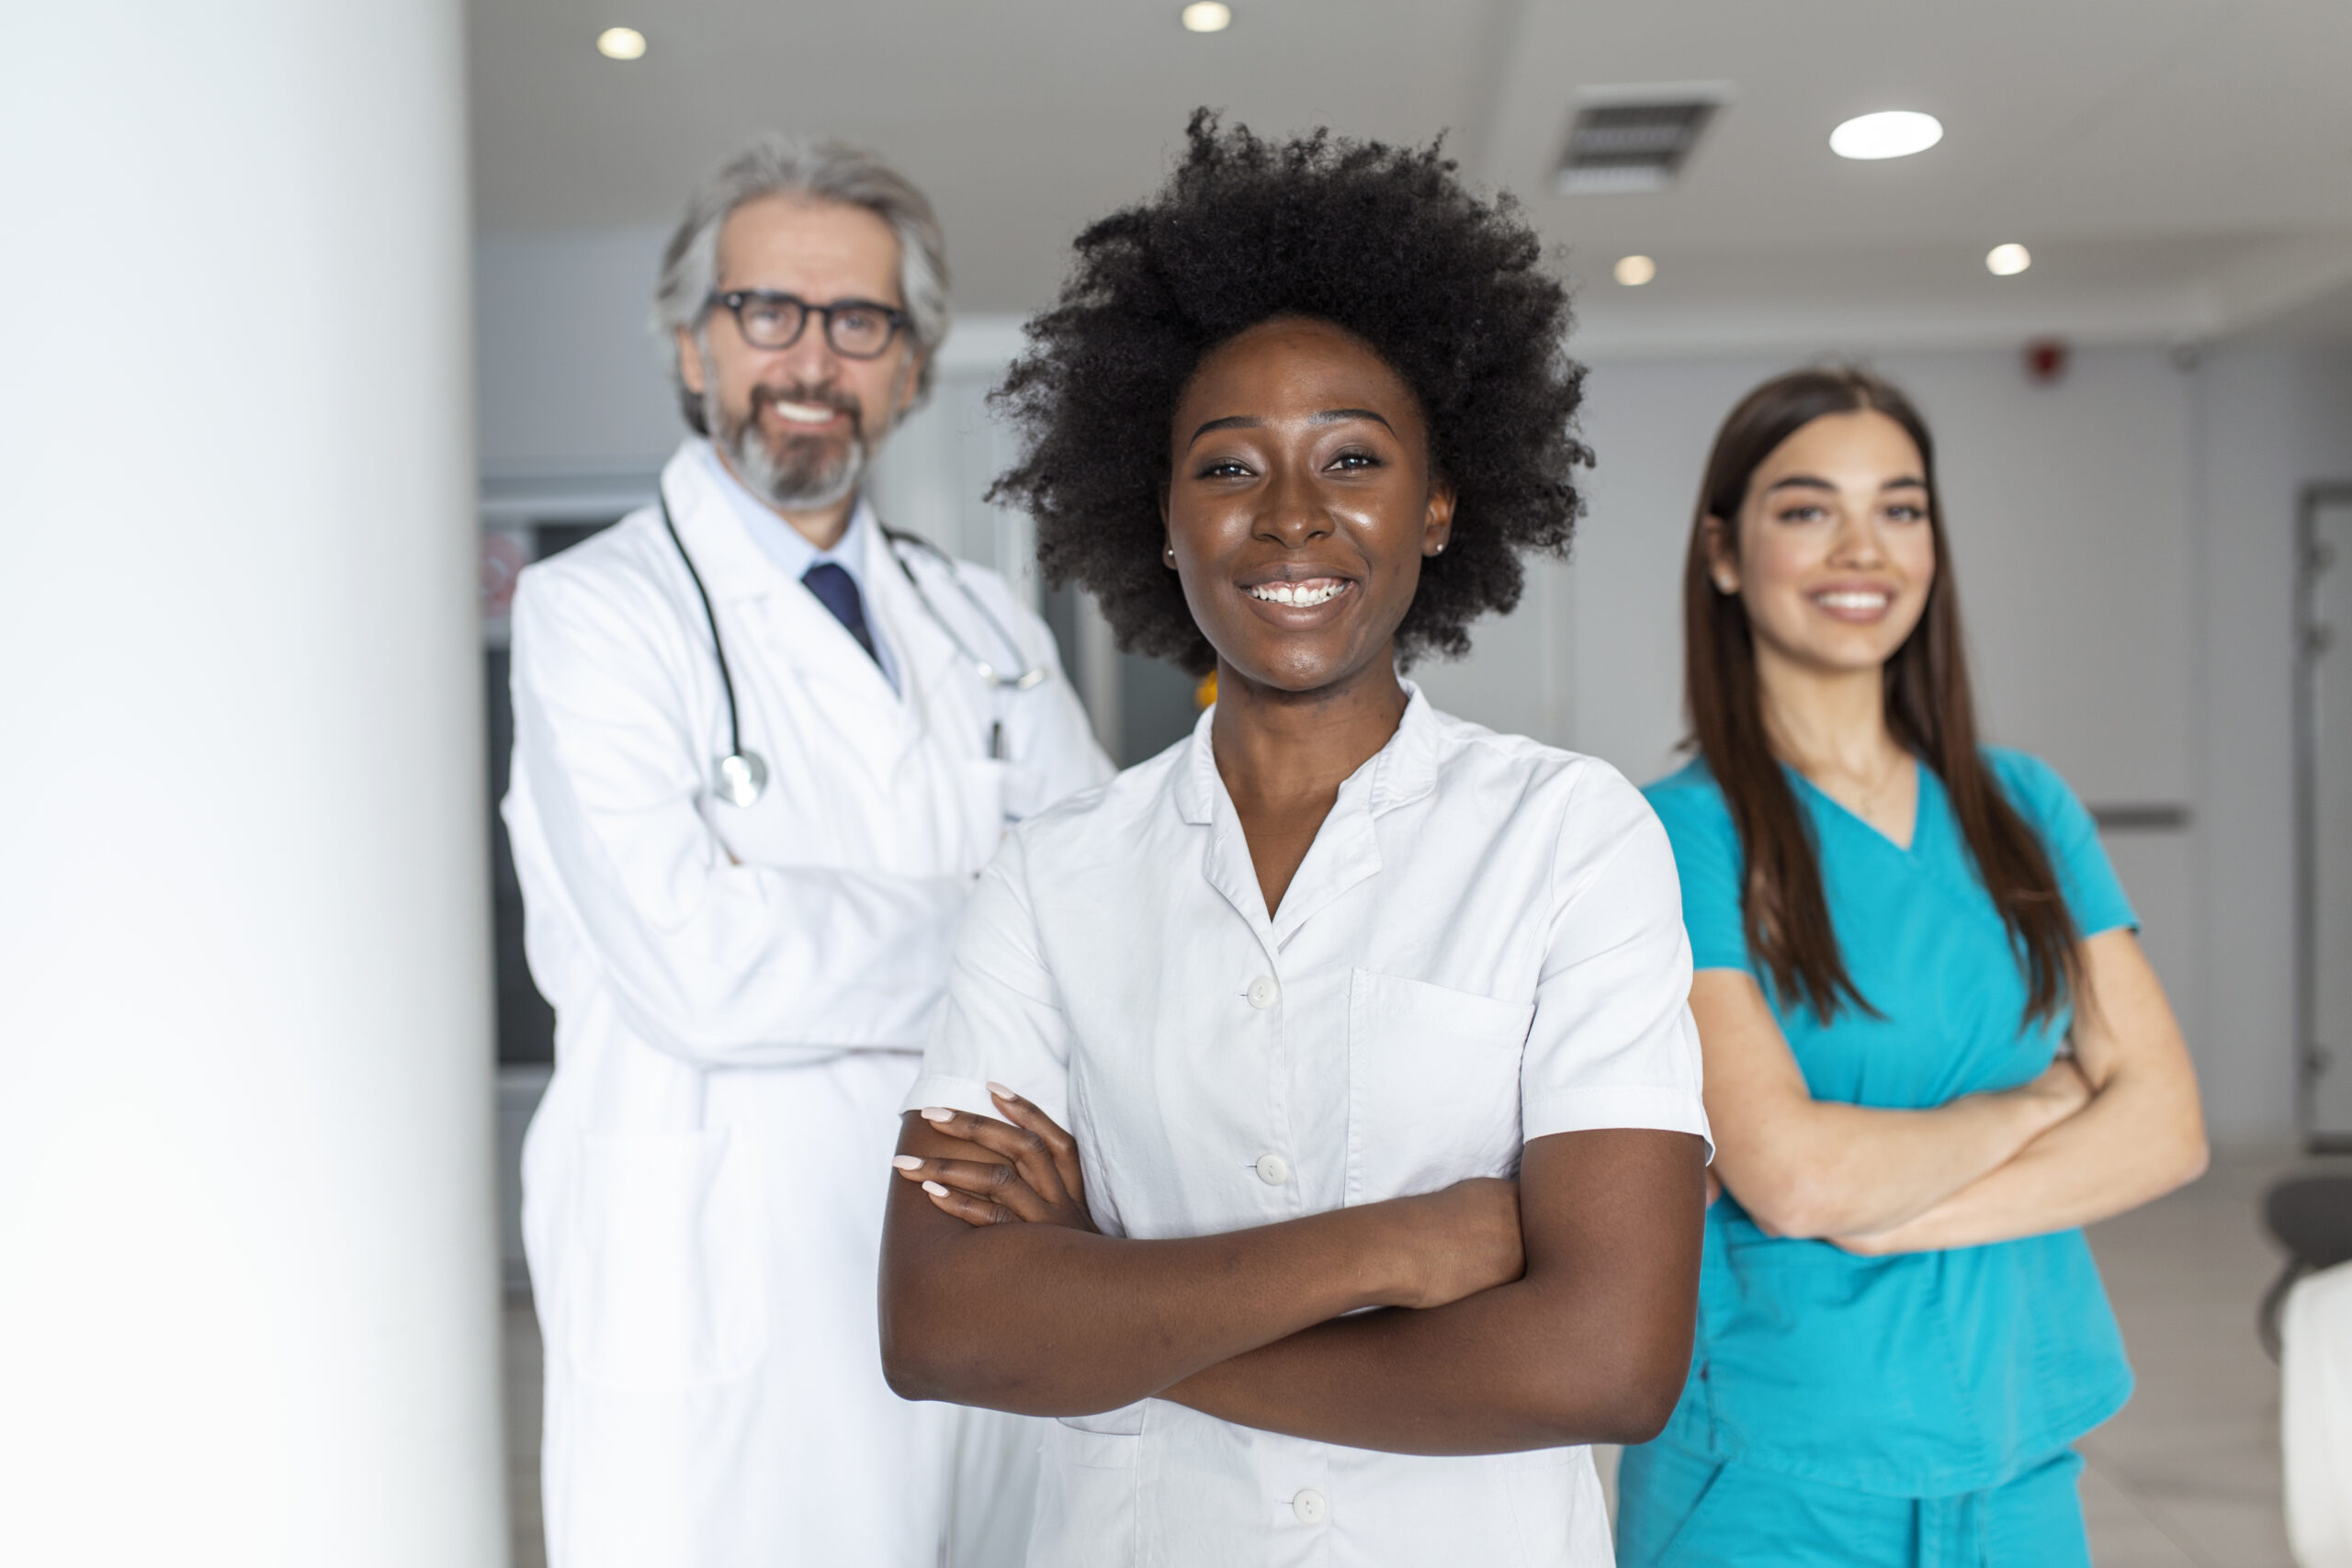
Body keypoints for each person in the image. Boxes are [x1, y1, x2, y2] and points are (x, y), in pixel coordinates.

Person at [874, 113, 1713, 1568]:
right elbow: (943, 1326)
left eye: (1352, 459)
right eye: (1228, 468)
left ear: (1441, 504)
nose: (1292, 519)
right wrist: (1389, 1252)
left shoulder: (1575, 841)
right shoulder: (1052, 876)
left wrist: (1107, 1305)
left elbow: (1608, 1361)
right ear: (1162, 515)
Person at [502, 135, 1110, 1568]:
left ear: (908, 367)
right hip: (729, 1277)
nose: (810, 358)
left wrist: (850, 923)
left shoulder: (988, 628)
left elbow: (1105, 916)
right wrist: (995, 928)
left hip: (984, 1252)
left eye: (860, 321)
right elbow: (697, 965)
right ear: (691, 344)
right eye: (766, 311)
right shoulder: (596, 615)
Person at [1615, 367, 2211, 1566]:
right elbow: (1790, 1176)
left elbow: (2169, 1128)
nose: (1862, 549)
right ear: (1724, 552)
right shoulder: (1678, 835)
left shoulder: (2023, 805)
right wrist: (2047, 1099)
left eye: (1900, 507)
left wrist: (1893, 1211)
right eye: (1806, 508)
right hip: (1774, 1477)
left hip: (2019, 1458)